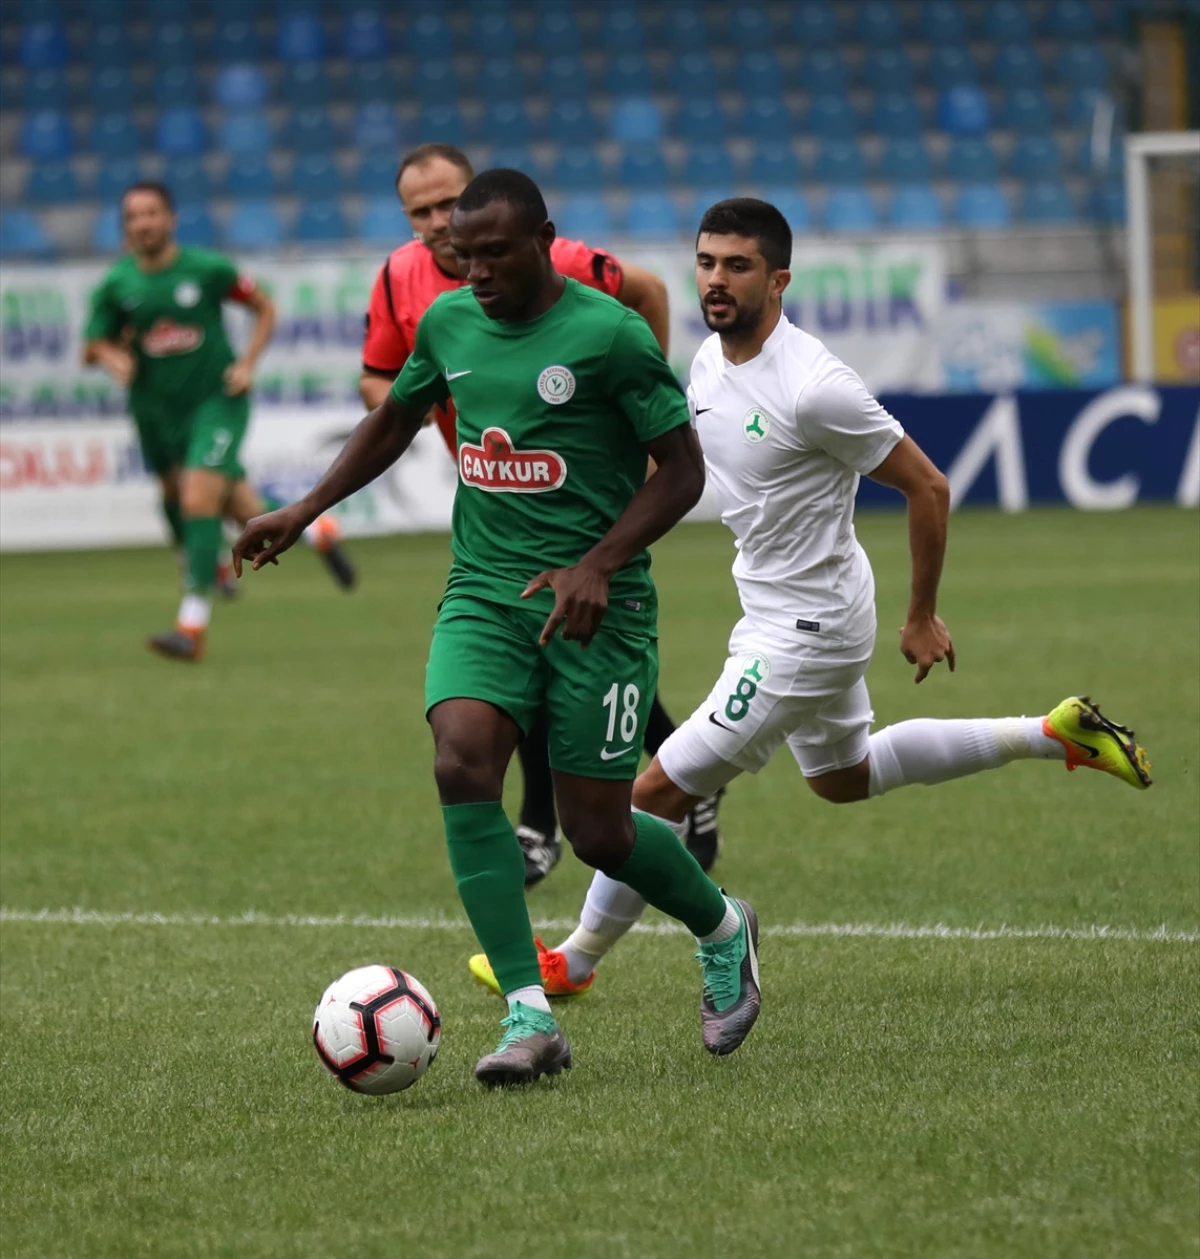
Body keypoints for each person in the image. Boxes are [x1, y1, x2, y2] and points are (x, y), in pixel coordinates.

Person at [470, 196, 1153, 1000]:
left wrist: (922, 614)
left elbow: (928, 486)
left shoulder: (815, 386)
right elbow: (678, 474)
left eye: (738, 265)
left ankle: (576, 960)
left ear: (780, 278)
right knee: (844, 776)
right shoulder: (706, 363)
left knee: (650, 792)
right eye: (706, 262)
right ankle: (1053, 733)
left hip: (806, 627)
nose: (716, 281)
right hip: (794, 605)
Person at [233, 171, 761, 1086]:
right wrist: (306, 505)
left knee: (600, 830)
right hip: (484, 591)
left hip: (600, 604)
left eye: (493, 253)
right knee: (460, 757)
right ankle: (529, 1013)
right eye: (460, 254)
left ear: (543, 241)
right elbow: (395, 418)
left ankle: (722, 927)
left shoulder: (608, 335)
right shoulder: (447, 325)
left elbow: (680, 472)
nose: (472, 269)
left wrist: (598, 560)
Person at [356, 142, 724, 886]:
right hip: (497, 505)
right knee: (512, 668)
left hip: (581, 495)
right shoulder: (407, 281)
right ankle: (591, 799)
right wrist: (433, 407)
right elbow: (382, 381)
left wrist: (630, 416)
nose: (433, 225)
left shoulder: (573, 272)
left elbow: (648, 294)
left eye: (444, 206)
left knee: (572, 643)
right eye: (420, 213)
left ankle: (565, 814)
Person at [83, 181, 355, 663]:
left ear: (171, 219)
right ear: (125, 228)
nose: (143, 223)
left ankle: (191, 625)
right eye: (133, 216)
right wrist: (110, 356)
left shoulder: (206, 270)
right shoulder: (117, 285)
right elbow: (91, 345)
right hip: (155, 411)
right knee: (225, 503)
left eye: (152, 213)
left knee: (196, 495)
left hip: (216, 402)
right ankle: (318, 531)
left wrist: (247, 363)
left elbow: (263, 306)